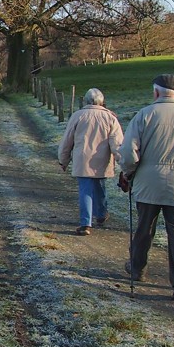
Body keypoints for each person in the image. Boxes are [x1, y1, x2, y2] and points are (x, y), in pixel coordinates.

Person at [119, 74, 174, 301]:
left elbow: (129, 153)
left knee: (144, 228)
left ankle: (138, 268)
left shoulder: (145, 115)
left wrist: (128, 173)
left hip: (149, 180)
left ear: (156, 92)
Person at [58, 88, 124, 236]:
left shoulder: (78, 116)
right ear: (102, 102)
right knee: (100, 187)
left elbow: (67, 140)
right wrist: (123, 162)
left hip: (82, 159)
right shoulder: (110, 118)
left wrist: (63, 159)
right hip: (102, 159)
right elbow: (117, 143)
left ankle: (85, 223)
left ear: (86, 101)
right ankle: (101, 215)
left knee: (85, 190)